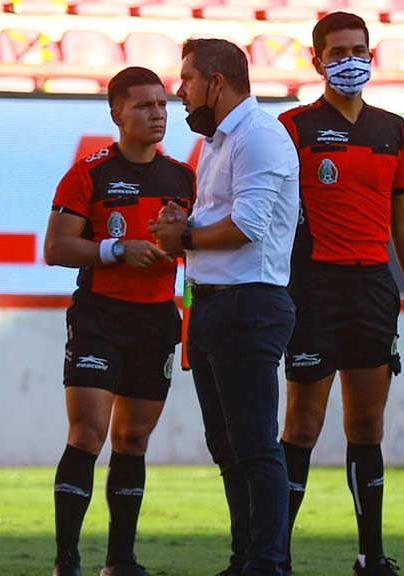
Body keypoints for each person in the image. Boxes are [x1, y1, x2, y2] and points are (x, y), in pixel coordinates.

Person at [276, 12, 404, 576]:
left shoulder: (394, 129)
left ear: (372, 54)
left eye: (358, 49)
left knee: (366, 427)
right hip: (313, 288)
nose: (349, 60)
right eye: (337, 51)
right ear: (316, 60)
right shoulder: (292, 128)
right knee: (301, 427)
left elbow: (403, 217)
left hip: (373, 290)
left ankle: (370, 555)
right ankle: (277, 556)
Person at [150, 39, 300, 576]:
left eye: (187, 78)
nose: (180, 90)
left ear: (217, 81)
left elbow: (246, 228)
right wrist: (183, 220)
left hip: (248, 305)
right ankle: (246, 560)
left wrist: (181, 236)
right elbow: (222, 217)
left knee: (255, 445)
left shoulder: (258, 137)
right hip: (214, 305)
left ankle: (266, 563)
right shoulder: (221, 141)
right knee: (230, 447)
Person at [44, 66, 196, 576]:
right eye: (143, 106)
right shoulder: (89, 172)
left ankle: (120, 560)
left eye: (161, 104)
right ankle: (67, 560)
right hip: (99, 317)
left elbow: (199, 249)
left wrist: (178, 245)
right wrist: (115, 249)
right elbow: (57, 247)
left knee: (133, 440)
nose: (157, 114)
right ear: (117, 114)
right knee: (88, 434)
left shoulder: (183, 178)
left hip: (156, 320)